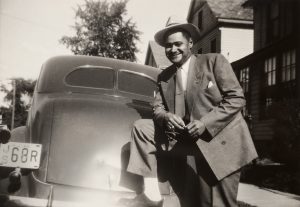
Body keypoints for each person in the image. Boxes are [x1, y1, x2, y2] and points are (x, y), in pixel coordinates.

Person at [121, 16, 258, 207]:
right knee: (142, 127)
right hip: (188, 142)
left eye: (178, 44)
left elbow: (236, 98)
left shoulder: (214, 61)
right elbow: (157, 108)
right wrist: (166, 116)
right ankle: (152, 191)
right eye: (168, 46)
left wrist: (205, 123)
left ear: (190, 43)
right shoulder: (165, 76)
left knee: (217, 204)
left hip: (220, 143)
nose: (173, 49)